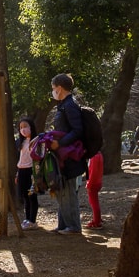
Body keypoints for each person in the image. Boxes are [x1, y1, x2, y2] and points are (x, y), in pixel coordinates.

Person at [50, 73, 86, 234]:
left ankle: (73, 226)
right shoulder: (64, 105)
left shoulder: (70, 105)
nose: (52, 91)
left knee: (69, 191)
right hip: (62, 155)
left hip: (71, 154)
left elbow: (78, 130)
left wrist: (60, 142)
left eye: (53, 88)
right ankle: (63, 224)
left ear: (59, 88)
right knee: (62, 188)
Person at [15, 116, 39, 229]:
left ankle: (33, 221)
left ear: (31, 127)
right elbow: (20, 158)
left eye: (25, 126)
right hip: (21, 171)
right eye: (21, 127)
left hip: (31, 171)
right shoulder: (21, 142)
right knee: (25, 196)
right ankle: (27, 218)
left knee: (32, 196)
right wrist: (17, 174)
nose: (23, 129)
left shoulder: (36, 141)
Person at [85, 151, 104, 229]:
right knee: (94, 202)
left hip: (94, 183)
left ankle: (97, 222)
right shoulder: (99, 155)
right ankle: (97, 219)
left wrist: (89, 184)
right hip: (98, 181)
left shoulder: (94, 157)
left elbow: (93, 172)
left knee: (94, 203)